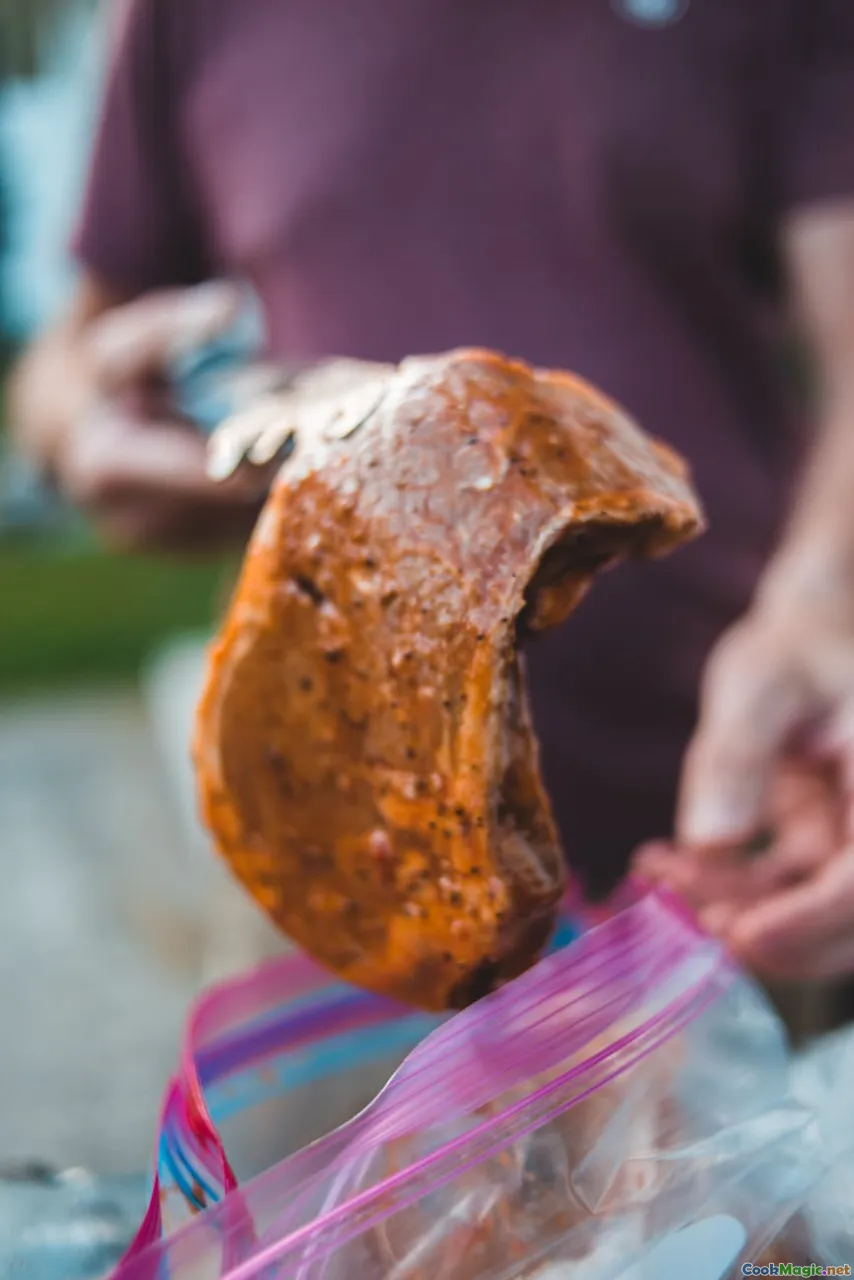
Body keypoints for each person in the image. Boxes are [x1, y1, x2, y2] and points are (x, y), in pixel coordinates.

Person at [9, 0, 854, 992]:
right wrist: (78, 425)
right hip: (343, 846)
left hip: (735, 816)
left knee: (736, 1145)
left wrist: (821, 601)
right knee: (323, 1146)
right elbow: (71, 349)